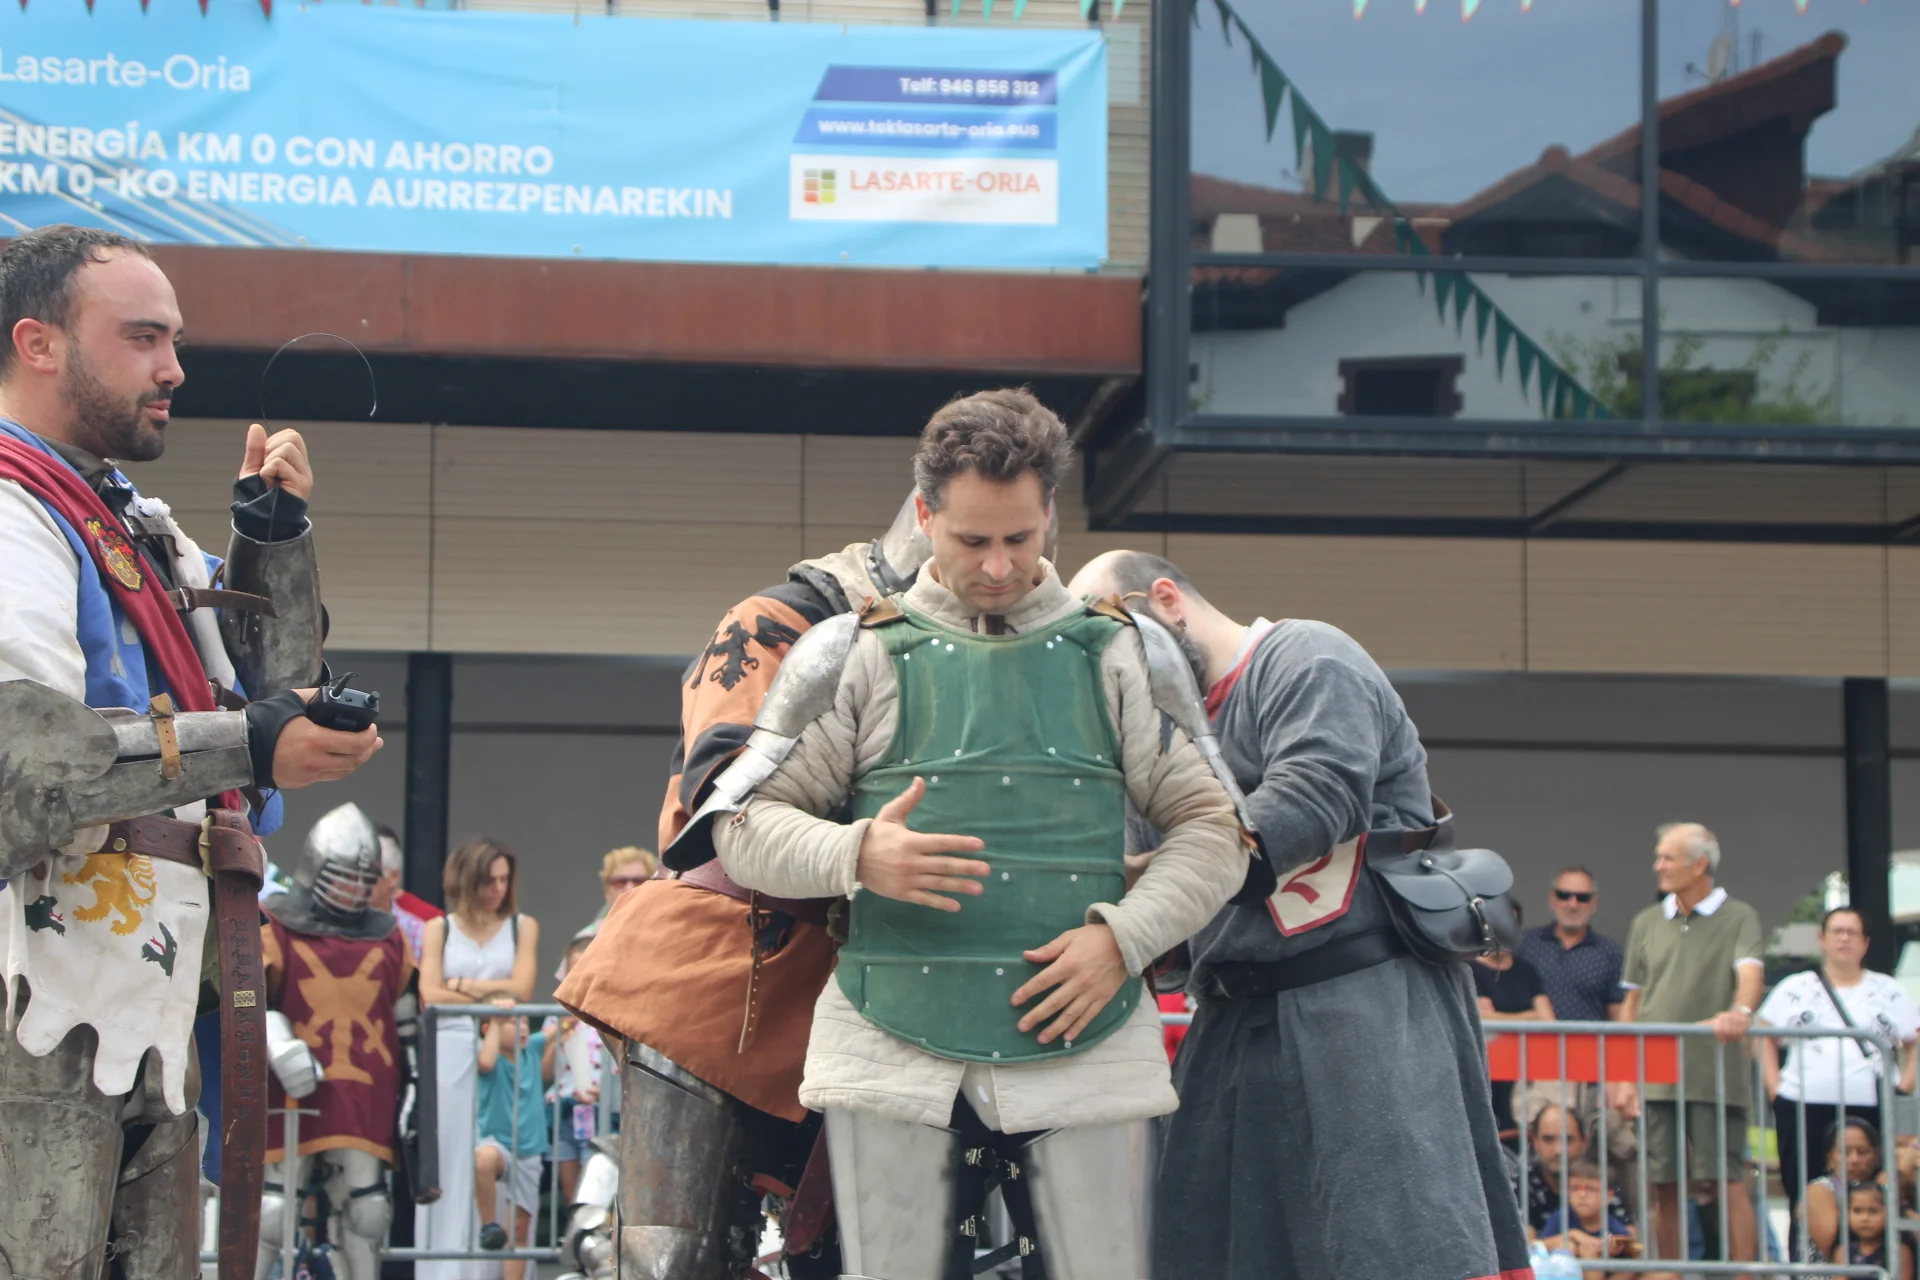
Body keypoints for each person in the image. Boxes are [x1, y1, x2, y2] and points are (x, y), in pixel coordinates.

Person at [683, 389, 1245, 1280]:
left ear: (1051, 514)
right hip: (890, 1053)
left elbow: (1216, 829)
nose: (997, 565)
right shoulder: (852, 651)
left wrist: (1125, 939)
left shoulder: (1123, 651)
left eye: (1020, 537)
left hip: (1090, 1054)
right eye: (972, 539)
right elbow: (741, 828)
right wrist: (855, 853)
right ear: (924, 516)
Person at [0, 225, 382, 1280]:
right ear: (38, 343)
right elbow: (24, 763)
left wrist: (272, 539)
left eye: (174, 339)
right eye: (143, 338)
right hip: (29, 985)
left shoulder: (133, 521)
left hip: (148, 984)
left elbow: (264, 692)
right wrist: (253, 744)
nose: (174, 367)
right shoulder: (11, 509)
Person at [1067, 549, 1531, 1280]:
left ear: (1166, 600)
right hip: (1233, 1019)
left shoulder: (1307, 656)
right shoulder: (1159, 735)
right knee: (1210, 1251)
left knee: (1395, 1248)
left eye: (1117, 637)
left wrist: (1153, 883)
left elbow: (1316, 797)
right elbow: (1141, 896)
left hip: (1366, 1004)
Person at [556, 492, 935, 1279]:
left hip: (891, 991)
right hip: (728, 972)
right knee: (673, 1260)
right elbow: (726, 798)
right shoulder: (776, 623)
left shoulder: (998, 650)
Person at [257, 803, 413, 1280]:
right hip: (289, 1086)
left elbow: (407, 1021)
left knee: (367, 1212)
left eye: (362, 881)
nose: (352, 890)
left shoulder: (389, 937)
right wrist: (279, 1044)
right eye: (343, 878)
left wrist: (414, 1095)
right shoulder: (274, 924)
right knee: (273, 1209)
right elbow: (249, 1001)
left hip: (364, 1091)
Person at [1610, 822, 1765, 1273]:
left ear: (1699, 865)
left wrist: (1740, 1011)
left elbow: (1750, 975)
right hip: (1657, 1075)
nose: (1657, 866)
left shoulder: (1740, 916)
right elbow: (1632, 1003)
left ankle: (1744, 1276)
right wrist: (1623, 1075)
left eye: (1667, 857)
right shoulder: (1645, 921)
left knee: (1728, 1180)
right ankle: (1669, 1274)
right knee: (1663, 1185)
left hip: (1715, 1073)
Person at [415, 838, 540, 1280]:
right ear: (468, 880)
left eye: (504, 880)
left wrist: (463, 986)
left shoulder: (522, 926)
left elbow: (522, 987)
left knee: (495, 1151)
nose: (498, 889)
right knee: (450, 1155)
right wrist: (492, 995)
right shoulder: (439, 928)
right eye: (489, 880)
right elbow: (430, 992)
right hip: (450, 1049)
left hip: (502, 1050)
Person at [1760, 905, 1920, 1217]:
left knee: (1873, 1194)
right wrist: (1775, 1090)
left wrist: (1903, 1088)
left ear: (1865, 943)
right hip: (1803, 1105)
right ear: (1822, 939)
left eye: (1852, 932)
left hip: (1871, 1107)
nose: (1844, 939)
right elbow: (1765, 1037)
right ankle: (1804, 1250)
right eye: (1837, 931)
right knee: (1803, 1192)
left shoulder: (1887, 990)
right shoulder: (1795, 987)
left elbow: (1914, 1039)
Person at [1517, 868, 1629, 1153]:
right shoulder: (1526, 944)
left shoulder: (1609, 952)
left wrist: (1619, 1074)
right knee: (1534, 1150)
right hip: (1532, 1068)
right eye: (1564, 895)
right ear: (1552, 899)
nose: (1572, 904)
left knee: (1586, 1151)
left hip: (1588, 1073)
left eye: (1582, 897)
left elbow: (1619, 1017)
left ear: (1594, 903)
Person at [474, 1014, 553, 1280]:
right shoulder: (490, 1055)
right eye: (513, 1023)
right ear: (490, 1029)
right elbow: (485, 1063)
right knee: (484, 1158)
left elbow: (559, 1028)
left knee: (519, 1229)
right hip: (498, 1142)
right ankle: (489, 1225)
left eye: (525, 1023)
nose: (523, 1029)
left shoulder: (532, 1047)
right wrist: (496, 1022)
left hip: (529, 1150)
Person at [1474, 902, 1554, 1133]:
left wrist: (1500, 1017)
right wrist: (1529, 1016)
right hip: (1485, 1070)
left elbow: (1549, 1022)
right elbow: (1480, 1020)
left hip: (1524, 1072)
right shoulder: (1465, 969)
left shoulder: (1526, 970)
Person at [550, 929, 608, 1205]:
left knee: (593, 1188)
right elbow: (545, 1071)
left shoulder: (612, 1012)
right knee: (570, 1192)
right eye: (574, 970)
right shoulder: (558, 1016)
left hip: (601, 1111)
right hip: (565, 1109)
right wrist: (556, 1035)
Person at [1518, 1105, 1635, 1237]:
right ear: (1535, 1142)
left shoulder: (1600, 1178)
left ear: (1584, 1142)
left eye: (1568, 1140)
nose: (1558, 1150)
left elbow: (1631, 1238)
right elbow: (1521, 1243)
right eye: (1548, 1139)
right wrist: (1571, 1238)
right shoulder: (1521, 1182)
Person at [1799, 1116, 1885, 1263]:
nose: (1854, 1160)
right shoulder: (1819, 1190)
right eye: (1845, 1152)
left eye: (1863, 1152)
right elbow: (1831, 1246)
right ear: (1830, 1159)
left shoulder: (1882, 1187)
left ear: (1876, 1157)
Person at [1537, 1159, 1640, 1277]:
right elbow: (1538, 1246)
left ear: (1608, 1196)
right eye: (1575, 1188)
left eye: (1590, 1189)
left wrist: (1609, 1250)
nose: (1582, 1195)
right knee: (1567, 1245)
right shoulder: (1561, 1217)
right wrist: (1573, 1234)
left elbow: (1630, 1247)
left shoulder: (1611, 1224)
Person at [376, 823, 443, 964]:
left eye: (370, 875)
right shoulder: (332, 925)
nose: (358, 883)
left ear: (394, 876)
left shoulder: (421, 929)